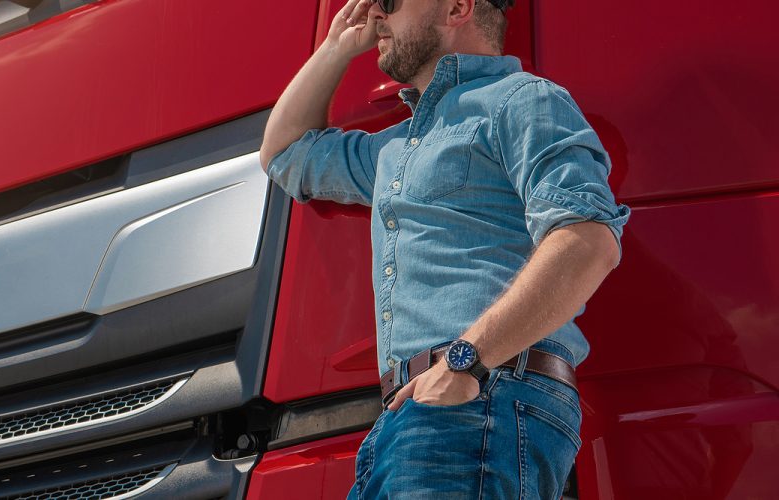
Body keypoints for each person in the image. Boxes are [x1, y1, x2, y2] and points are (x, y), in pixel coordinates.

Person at [259, 0, 631, 497]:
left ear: (457, 7)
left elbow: (587, 240)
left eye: (390, 3)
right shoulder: (395, 149)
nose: (377, 17)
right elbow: (285, 155)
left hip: (481, 395)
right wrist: (334, 48)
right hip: (417, 414)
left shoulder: (521, 100)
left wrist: (464, 362)